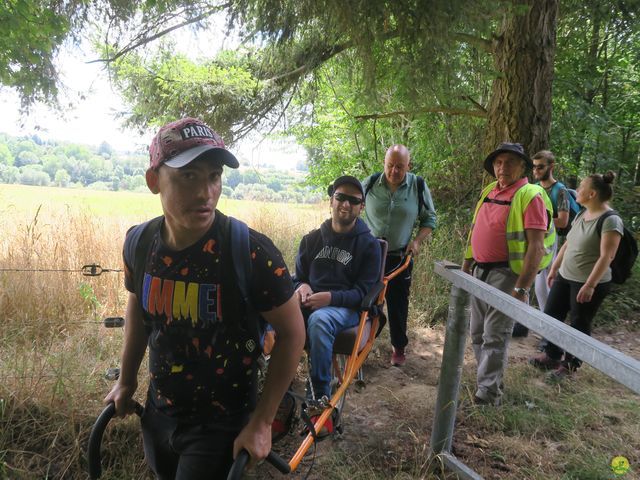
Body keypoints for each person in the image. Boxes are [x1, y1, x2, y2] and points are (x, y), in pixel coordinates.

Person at [104, 117, 305, 479]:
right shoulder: (139, 244)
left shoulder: (250, 252)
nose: (205, 192)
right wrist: (127, 380)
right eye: (189, 176)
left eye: (214, 176)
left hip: (222, 426)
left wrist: (261, 422)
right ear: (154, 181)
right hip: (158, 415)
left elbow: (293, 334)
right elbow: (137, 306)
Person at [462, 142, 555, 406]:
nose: (503, 167)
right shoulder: (489, 190)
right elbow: (475, 230)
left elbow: (536, 247)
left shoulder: (530, 195)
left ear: (522, 166)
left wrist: (522, 288)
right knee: (478, 332)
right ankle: (487, 383)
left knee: (495, 333)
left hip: (507, 274)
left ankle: (488, 394)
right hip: (480, 270)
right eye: (498, 162)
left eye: (510, 162)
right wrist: (467, 264)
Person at [293, 175, 381, 435]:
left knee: (320, 321)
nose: (346, 204)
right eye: (341, 197)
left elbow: (365, 292)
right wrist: (302, 287)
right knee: (272, 312)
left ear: (361, 207)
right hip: (311, 302)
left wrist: (330, 298)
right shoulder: (310, 240)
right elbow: (298, 277)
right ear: (331, 200)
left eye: (354, 201)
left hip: (347, 310)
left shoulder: (369, 245)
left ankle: (320, 402)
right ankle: (279, 402)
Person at [529, 171, 623, 381]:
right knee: (552, 314)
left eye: (581, 188)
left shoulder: (611, 220)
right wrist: (554, 269)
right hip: (565, 275)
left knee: (579, 323)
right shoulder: (582, 213)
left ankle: (570, 365)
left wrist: (590, 285)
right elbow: (569, 243)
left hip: (588, 281)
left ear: (592, 193)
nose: (577, 191)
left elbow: (607, 256)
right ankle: (552, 355)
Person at [362, 145, 437, 366]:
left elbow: (430, 219)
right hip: (370, 255)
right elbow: (353, 207)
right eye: (390, 166)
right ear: (384, 164)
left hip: (400, 258)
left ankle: (398, 347)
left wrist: (417, 241)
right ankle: (360, 345)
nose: (394, 171)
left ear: (409, 166)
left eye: (400, 167)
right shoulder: (370, 183)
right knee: (364, 301)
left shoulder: (418, 186)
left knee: (397, 304)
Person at [513, 150, 572, 337]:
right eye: (534, 167)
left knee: (543, 286)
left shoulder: (560, 190)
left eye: (541, 167)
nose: (536, 170)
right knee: (526, 280)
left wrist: (536, 221)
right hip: (532, 241)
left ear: (551, 167)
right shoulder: (535, 187)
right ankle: (523, 324)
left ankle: (550, 332)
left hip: (551, 243)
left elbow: (563, 221)